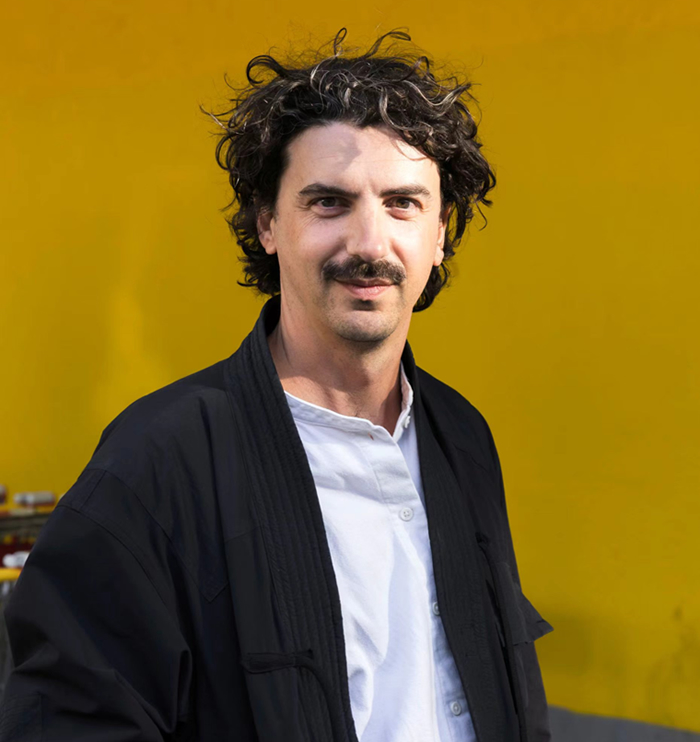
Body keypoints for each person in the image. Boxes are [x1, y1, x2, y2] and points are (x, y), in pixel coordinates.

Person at [0, 29, 553, 742]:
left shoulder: (460, 436)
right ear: (267, 223)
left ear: (440, 231)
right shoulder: (158, 464)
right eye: (329, 203)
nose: (369, 243)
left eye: (402, 203)